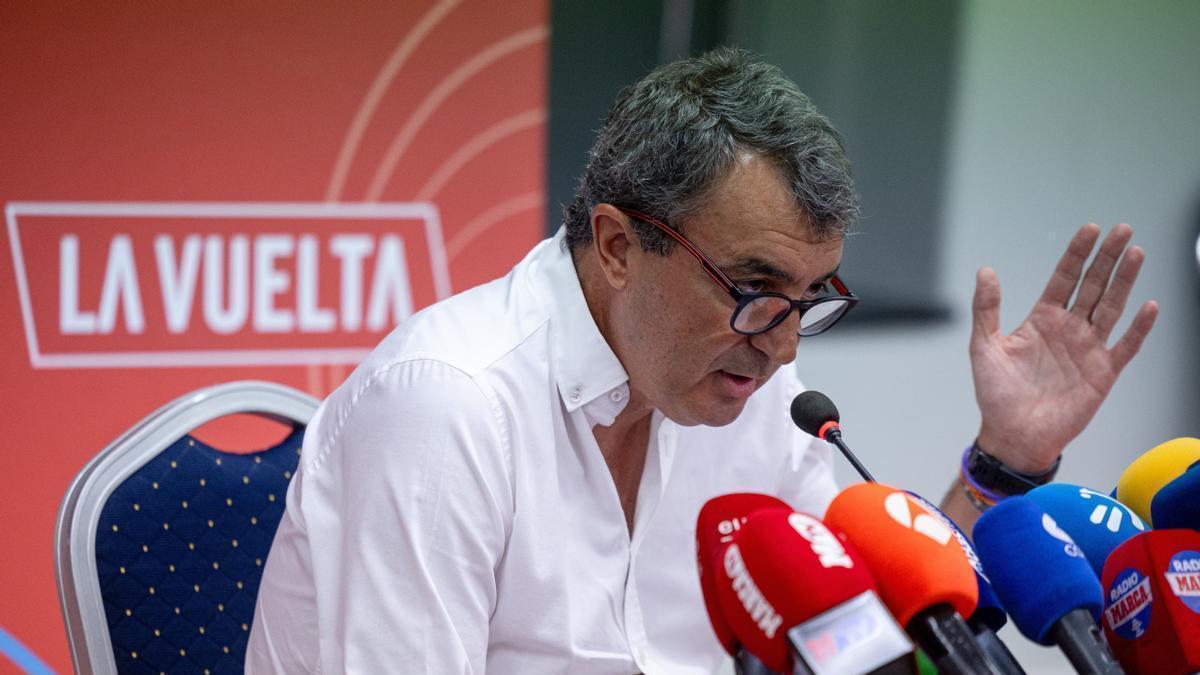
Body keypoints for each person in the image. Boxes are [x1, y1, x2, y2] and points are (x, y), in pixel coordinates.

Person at [247, 47, 1157, 674]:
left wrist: (1005, 458)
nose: (785, 342)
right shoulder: (446, 409)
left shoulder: (748, 377)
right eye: (755, 285)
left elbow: (878, 620)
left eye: (811, 300)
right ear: (615, 245)